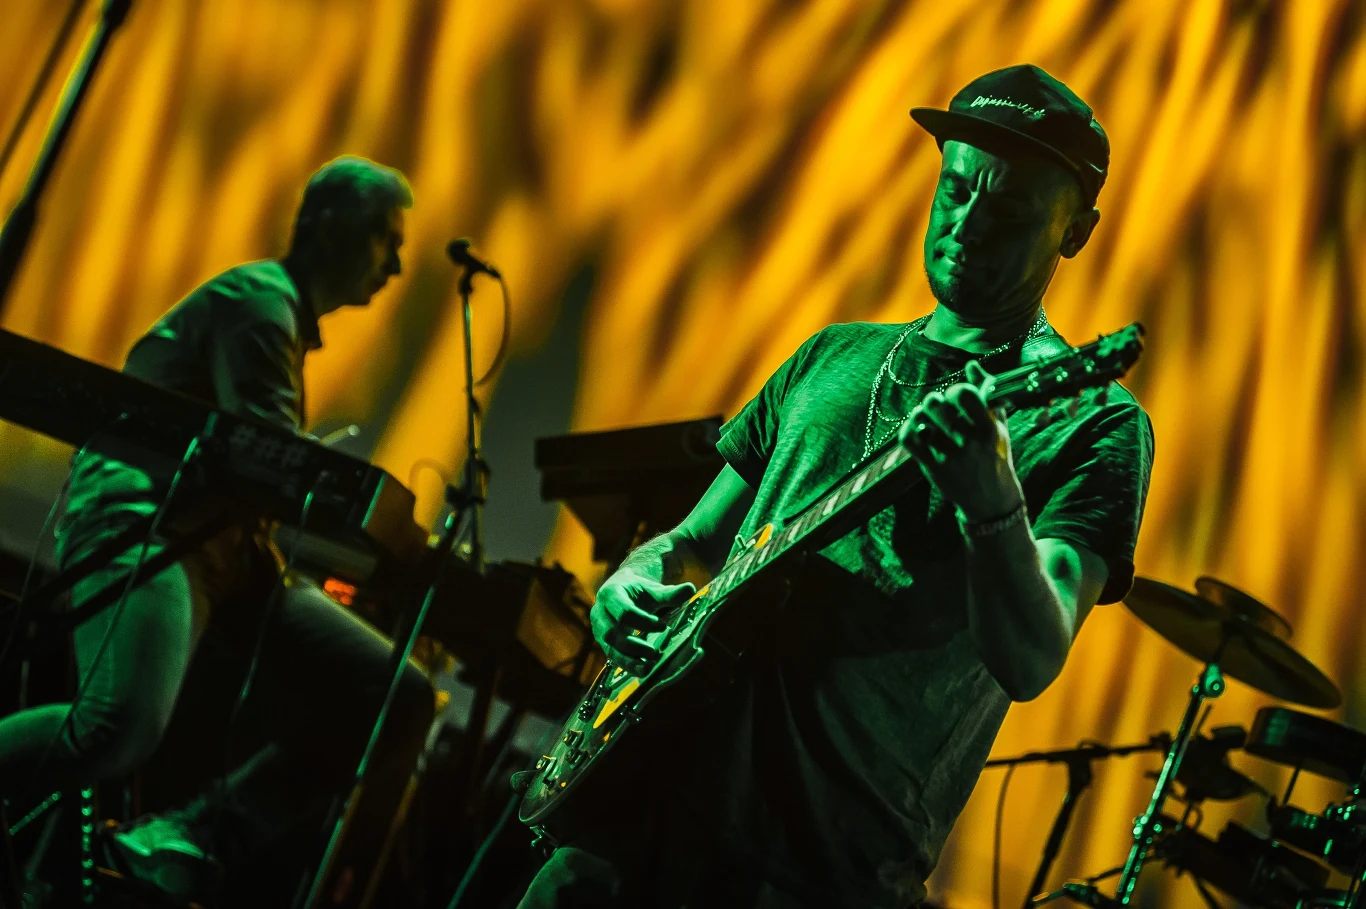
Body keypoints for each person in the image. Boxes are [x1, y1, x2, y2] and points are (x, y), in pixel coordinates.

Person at [517, 65, 1154, 909]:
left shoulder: (1092, 422)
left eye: (1007, 210)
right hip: (633, 813)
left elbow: (1032, 656)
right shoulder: (831, 354)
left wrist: (992, 502)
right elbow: (693, 542)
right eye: (956, 189)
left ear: (1075, 233)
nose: (967, 223)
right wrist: (633, 578)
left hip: (814, 870)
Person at [0, 156, 436, 900]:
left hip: (226, 550)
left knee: (395, 693)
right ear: (326, 224)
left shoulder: (280, 319)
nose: (395, 265)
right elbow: (268, 456)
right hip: (150, 524)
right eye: (383, 239)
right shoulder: (258, 303)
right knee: (115, 726)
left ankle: (190, 835)